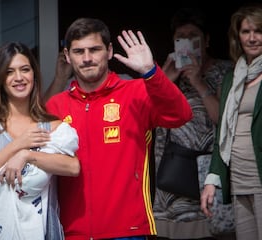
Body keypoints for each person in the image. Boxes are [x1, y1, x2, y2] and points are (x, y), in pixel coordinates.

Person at [45, 17, 193, 239]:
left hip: (128, 230)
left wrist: (150, 72)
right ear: (67, 56)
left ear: (109, 50)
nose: (87, 58)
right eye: (78, 52)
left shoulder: (136, 92)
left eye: (94, 49)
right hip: (72, 232)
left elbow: (181, 115)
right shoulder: (55, 105)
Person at [0, 42, 80, 239]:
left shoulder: (51, 126)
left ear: (34, 75)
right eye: (9, 72)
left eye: (25, 69)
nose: (19, 78)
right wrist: (17, 145)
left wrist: (27, 155)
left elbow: (73, 167)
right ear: (0, 79)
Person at [152, 8, 236, 240]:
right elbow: (146, 118)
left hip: (208, 169)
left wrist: (198, 81)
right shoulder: (165, 73)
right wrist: (166, 82)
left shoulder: (224, 70)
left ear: (206, 40)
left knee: (214, 229)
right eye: (181, 37)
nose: (187, 42)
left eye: (193, 37)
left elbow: (223, 118)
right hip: (172, 169)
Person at [201, 3, 262, 240]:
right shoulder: (232, 77)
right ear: (238, 37)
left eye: (258, 31)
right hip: (238, 179)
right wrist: (211, 181)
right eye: (246, 32)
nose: (253, 38)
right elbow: (223, 133)